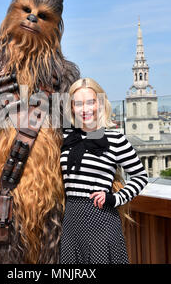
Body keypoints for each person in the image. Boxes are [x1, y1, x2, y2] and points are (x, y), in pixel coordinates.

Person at [59, 77, 149, 264]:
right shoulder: (65, 139)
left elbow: (141, 176)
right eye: (78, 104)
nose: (85, 109)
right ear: (72, 108)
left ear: (100, 104)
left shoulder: (115, 140)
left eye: (90, 102)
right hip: (70, 222)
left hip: (101, 220)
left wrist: (115, 198)